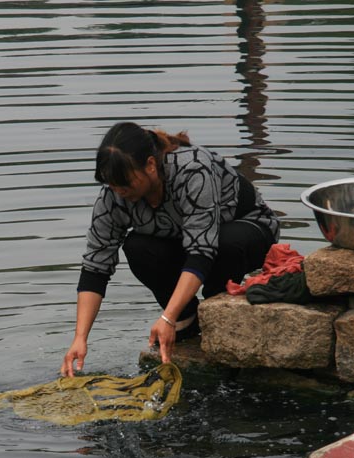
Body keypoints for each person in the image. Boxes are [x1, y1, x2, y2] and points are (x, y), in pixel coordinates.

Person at [60, 122, 280, 377]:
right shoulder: (114, 197)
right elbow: (95, 268)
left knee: (225, 244)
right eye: (112, 185)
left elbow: (202, 250)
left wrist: (166, 317)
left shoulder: (192, 170)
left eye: (126, 184)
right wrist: (80, 338)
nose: (119, 192)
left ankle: (215, 312)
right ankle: (187, 320)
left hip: (245, 231)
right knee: (137, 247)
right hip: (185, 241)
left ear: (151, 166)